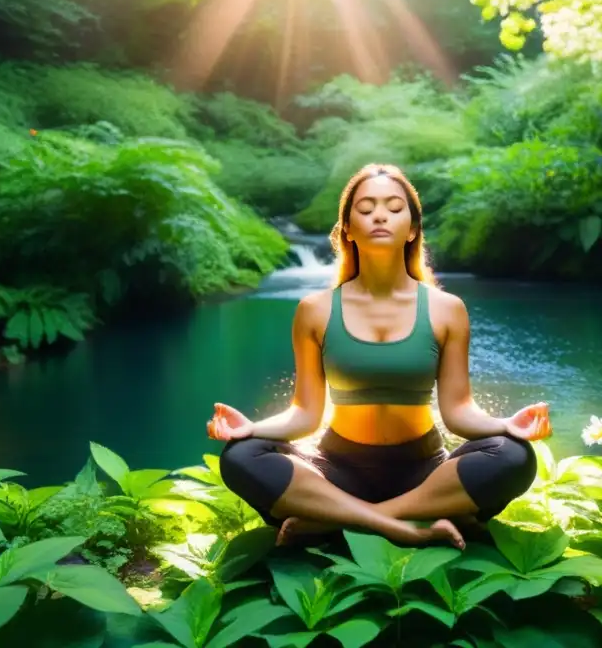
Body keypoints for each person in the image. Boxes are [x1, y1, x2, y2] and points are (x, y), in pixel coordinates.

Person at [207, 164, 551, 549]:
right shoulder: (315, 310)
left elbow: (458, 412)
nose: (380, 215)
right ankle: (409, 524)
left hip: (423, 471)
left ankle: (333, 520)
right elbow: (305, 414)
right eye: (366, 208)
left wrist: (507, 425)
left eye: (393, 207)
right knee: (241, 455)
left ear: (414, 227)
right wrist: (249, 430)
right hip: (337, 469)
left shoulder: (446, 309)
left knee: (514, 456)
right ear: (347, 229)